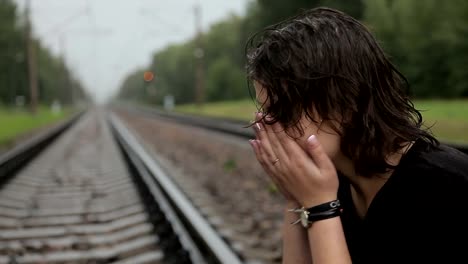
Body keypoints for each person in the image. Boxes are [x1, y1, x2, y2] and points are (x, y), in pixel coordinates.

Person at [245, 7, 468, 264]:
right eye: (266, 112)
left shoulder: (446, 189)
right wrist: (295, 199)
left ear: (346, 101)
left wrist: (321, 208)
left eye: (283, 110)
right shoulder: (334, 183)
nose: (271, 128)